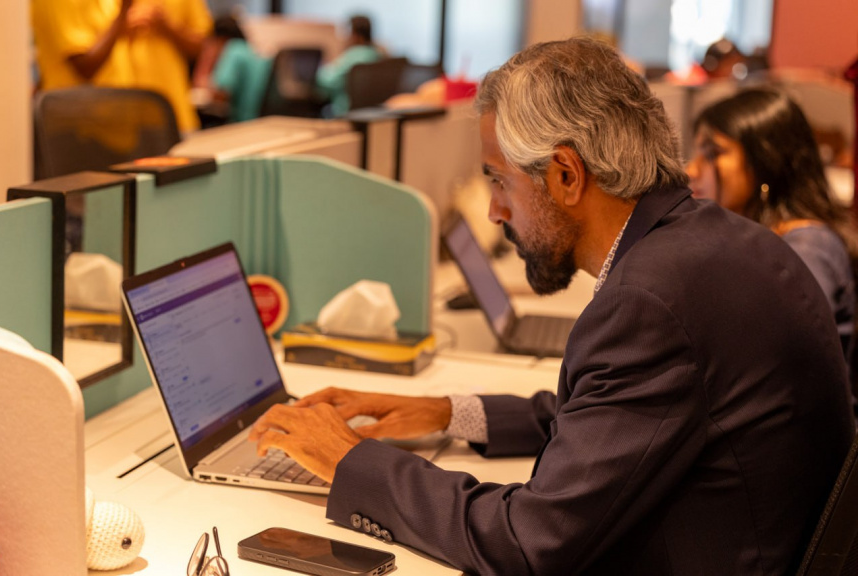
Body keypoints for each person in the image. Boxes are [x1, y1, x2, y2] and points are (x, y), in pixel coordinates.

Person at [250, 38, 855, 575]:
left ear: (566, 174)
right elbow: (611, 416)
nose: (493, 211)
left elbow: (527, 544)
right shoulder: (720, 241)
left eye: (498, 179)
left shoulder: (651, 301)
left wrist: (351, 459)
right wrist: (443, 412)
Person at [686, 89, 858, 368]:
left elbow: (775, 356)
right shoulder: (755, 239)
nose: (692, 170)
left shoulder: (807, 247)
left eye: (713, 152)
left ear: (766, 161)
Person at [31, 0, 213, 132]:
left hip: (121, 117)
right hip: (85, 121)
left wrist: (163, 25)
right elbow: (85, 65)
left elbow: (202, 44)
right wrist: (123, 18)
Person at [197, 15, 272, 123]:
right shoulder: (251, 51)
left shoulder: (234, 50)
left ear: (220, 39)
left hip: (243, 122)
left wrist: (207, 57)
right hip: (262, 121)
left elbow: (221, 92)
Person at [315, 15, 383, 117]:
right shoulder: (376, 54)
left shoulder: (352, 56)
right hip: (371, 112)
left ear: (355, 35)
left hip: (345, 112)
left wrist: (324, 66)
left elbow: (326, 81)